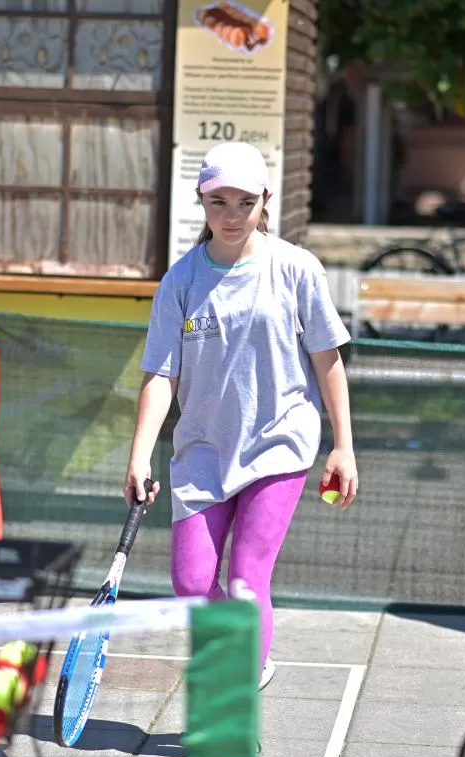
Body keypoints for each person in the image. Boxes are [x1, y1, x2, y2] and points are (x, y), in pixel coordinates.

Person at [125, 141, 357, 689]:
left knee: (247, 580)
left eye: (245, 203)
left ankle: (241, 679)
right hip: (202, 453)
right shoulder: (180, 281)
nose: (232, 216)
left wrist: (343, 446)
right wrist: (139, 456)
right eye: (219, 202)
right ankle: (239, 647)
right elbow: (160, 376)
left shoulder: (297, 269)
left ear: (265, 201)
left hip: (279, 445)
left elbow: (328, 362)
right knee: (191, 582)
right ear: (201, 201)